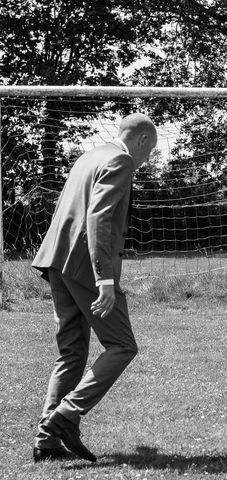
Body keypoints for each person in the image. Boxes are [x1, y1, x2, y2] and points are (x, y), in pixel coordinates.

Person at [30, 113, 158, 462]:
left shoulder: (89, 156)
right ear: (143, 140)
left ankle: (47, 439)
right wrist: (104, 279)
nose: (146, 161)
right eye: (150, 151)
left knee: (71, 353)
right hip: (86, 265)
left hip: (56, 259)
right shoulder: (120, 160)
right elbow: (98, 217)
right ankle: (66, 415)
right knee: (122, 345)